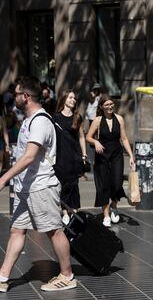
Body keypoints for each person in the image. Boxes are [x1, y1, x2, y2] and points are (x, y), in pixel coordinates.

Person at [0, 76, 76, 292]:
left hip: (42, 187)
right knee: (17, 230)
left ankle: (67, 275)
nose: (13, 98)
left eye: (16, 94)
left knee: (54, 231)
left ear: (26, 96)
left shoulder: (41, 121)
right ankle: (3, 277)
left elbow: (29, 156)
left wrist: (4, 177)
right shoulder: (28, 120)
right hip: (26, 188)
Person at [86, 95, 135, 227]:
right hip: (102, 156)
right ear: (101, 107)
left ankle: (114, 206)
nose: (110, 107)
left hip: (117, 155)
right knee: (103, 186)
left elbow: (124, 138)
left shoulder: (119, 119)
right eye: (107, 105)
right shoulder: (97, 120)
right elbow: (88, 137)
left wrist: (131, 156)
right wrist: (95, 141)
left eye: (111, 104)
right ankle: (106, 215)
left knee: (117, 183)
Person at [53, 89, 87, 225]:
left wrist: (84, 155)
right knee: (63, 185)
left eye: (74, 98)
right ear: (64, 99)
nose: (73, 100)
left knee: (74, 185)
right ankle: (65, 211)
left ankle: (74, 210)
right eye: (70, 97)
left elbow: (81, 137)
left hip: (74, 156)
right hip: (61, 156)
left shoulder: (77, 117)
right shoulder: (55, 117)